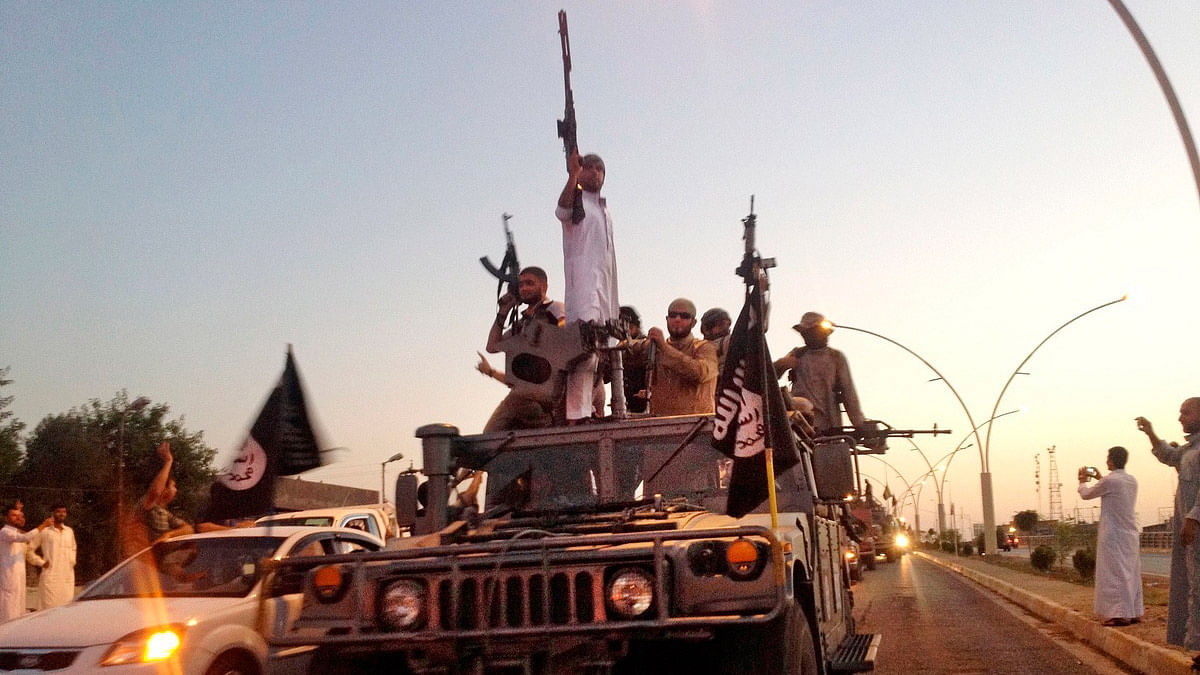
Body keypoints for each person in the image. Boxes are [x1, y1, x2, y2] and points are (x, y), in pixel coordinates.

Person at [555, 151, 619, 424]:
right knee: (584, 353)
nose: (594, 172)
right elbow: (562, 210)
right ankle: (577, 415)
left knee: (604, 353)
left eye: (599, 168)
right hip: (584, 288)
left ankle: (594, 410)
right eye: (588, 167)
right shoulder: (577, 201)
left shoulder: (603, 208)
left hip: (605, 288)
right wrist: (572, 176)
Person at [1138, 397, 1200, 653]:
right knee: (1193, 588)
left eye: (1186, 413)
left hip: (1194, 527)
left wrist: (1192, 517)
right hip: (1191, 536)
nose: (1180, 418)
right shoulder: (1189, 450)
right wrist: (1150, 432)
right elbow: (1167, 455)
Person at [481, 266, 565, 432]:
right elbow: (492, 347)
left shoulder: (554, 308)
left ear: (544, 286)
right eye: (521, 285)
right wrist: (504, 312)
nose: (524, 288)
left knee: (514, 403)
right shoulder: (521, 323)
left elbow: (564, 330)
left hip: (548, 389)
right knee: (490, 435)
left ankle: (550, 423)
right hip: (524, 394)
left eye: (530, 283)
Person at [773, 312, 874, 441]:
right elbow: (769, 376)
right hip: (801, 428)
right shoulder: (797, 354)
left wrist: (860, 425)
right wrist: (783, 363)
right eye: (806, 333)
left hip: (830, 427)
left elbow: (849, 393)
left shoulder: (836, 357)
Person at [1077, 447, 1144, 626]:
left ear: (1112, 461)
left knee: (1114, 574)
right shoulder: (1131, 480)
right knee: (1131, 573)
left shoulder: (1110, 481)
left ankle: (1119, 614)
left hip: (1113, 534)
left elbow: (1086, 494)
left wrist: (1082, 481)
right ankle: (1134, 611)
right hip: (1130, 533)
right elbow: (1113, 490)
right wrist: (1101, 478)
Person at [634, 298, 718, 416]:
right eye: (673, 315)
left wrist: (664, 347)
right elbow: (627, 348)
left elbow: (699, 373)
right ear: (667, 319)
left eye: (684, 316)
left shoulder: (705, 348)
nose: (677, 319)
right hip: (659, 426)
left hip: (697, 427)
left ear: (693, 322)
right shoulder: (655, 347)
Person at [0, 506, 51, 621]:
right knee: (8, 613)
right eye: (14, 515)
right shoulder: (5, 532)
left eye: (21, 516)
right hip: (8, 579)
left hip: (20, 579)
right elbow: (24, 537)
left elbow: (27, 549)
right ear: (6, 518)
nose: (19, 518)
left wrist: (41, 563)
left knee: (19, 613)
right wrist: (43, 525)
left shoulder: (18, 534)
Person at [27, 504, 77, 610]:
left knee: (66, 609)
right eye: (58, 511)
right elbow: (29, 550)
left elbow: (73, 548)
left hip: (67, 577)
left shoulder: (69, 531)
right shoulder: (44, 531)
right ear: (53, 513)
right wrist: (41, 562)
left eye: (64, 512)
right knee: (49, 609)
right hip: (51, 577)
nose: (61, 514)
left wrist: (71, 561)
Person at [619, 306, 649, 413]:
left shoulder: (645, 347)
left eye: (629, 327)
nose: (625, 331)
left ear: (636, 327)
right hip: (626, 406)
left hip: (646, 406)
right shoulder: (619, 350)